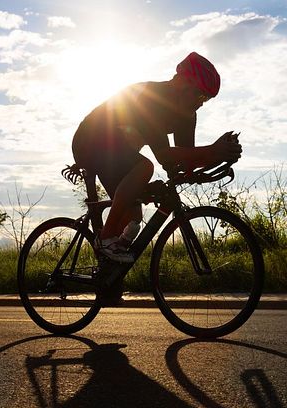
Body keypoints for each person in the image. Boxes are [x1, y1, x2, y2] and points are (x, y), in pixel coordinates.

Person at [71, 52, 242, 263]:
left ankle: (108, 279)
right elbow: (164, 156)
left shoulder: (188, 115)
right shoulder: (151, 99)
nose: (202, 103)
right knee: (145, 167)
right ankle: (105, 238)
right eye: (199, 95)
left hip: (118, 147)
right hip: (90, 141)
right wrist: (212, 150)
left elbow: (183, 160)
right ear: (180, 83)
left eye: (206, 99)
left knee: (132, 221)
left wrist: (219, 157)